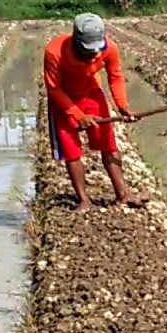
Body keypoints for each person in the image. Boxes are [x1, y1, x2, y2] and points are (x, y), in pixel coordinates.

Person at [44, 13, 143, 212]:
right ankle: (83, 200)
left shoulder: (109, 48)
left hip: (91, 95)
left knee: (108, 143)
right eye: (88, 50)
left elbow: (115, 77)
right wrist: (77, 115)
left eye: (97, 49)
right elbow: (53, 89)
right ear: (76, 41)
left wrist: (122, 107)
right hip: (64, 100)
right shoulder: (54, 52)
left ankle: (122, 195)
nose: (94, 55)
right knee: (71, 151)